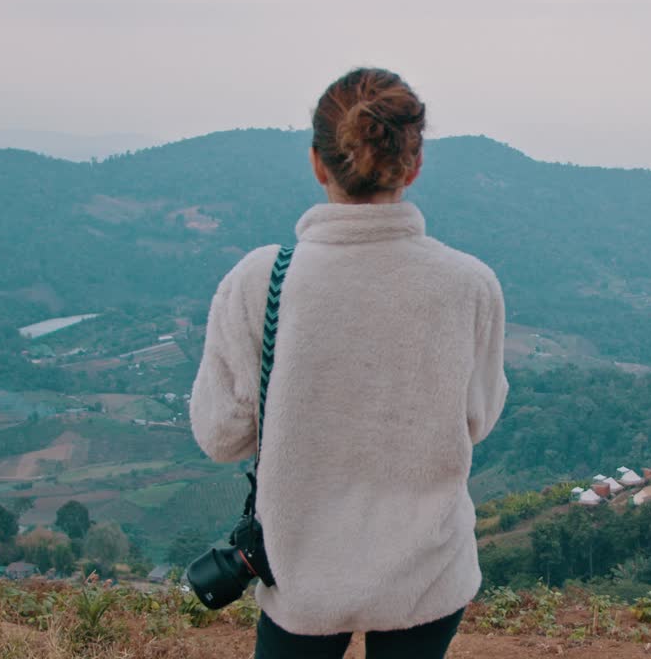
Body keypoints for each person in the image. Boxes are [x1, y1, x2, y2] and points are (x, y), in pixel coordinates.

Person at [189, 67, 508, 659]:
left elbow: (221, 436)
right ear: (414, 165)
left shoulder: (263, 280)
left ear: (318, 163)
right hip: (428, 576)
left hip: (302, 575)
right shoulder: (469, 285)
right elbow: (476, 419)